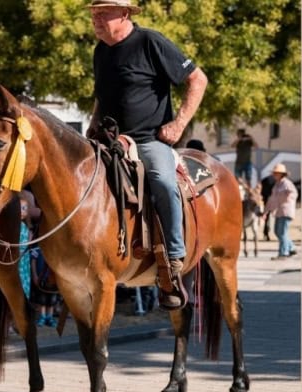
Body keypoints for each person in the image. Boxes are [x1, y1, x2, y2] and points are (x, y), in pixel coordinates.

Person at [88, 0, 208, 310]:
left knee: (163, 182)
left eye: (103, 13)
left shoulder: (150, 42)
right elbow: (101, 97)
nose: (96, 19)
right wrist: (92, 125)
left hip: (148, 140)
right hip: (109, 140)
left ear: (124, 13)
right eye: (93, 13)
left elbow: (198, 79)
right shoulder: (100, 52)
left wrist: (178, 124)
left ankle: (174, 257)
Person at [265, 164, 299, 260]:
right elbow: (271, 199)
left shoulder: (287, 183)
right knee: (277, 231)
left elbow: (294, 193)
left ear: (281, 174)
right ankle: (291, 248)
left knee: (282, 232)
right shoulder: (276, 186)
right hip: (279, 212)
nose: (274, 175)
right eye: (274, 173)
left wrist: (288, 198)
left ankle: (283, 253)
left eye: (276, 173)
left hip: (286, 211)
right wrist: (266, 211)